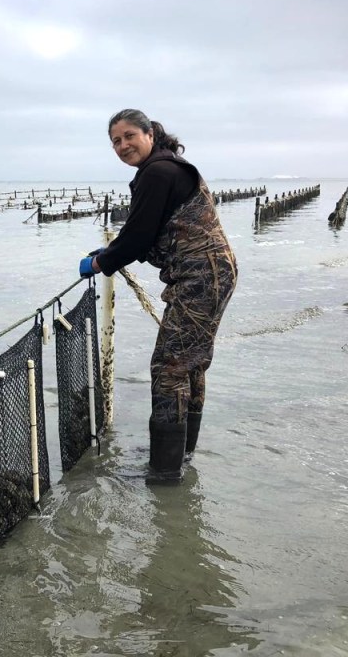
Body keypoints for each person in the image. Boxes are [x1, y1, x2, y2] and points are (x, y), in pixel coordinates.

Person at [78, 109, 238, 481]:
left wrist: (100, 264)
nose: (123, 145)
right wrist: (107, 254)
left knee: (169, 367)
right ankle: (181, 454)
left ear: (150, 134)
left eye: (129, 135)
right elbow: (140, 227)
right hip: (213, 273)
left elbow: (137, 238)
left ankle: (164, 472)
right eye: (115, 141)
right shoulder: (167, 168)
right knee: (191, 362)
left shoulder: (158, 172)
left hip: (199, 277)